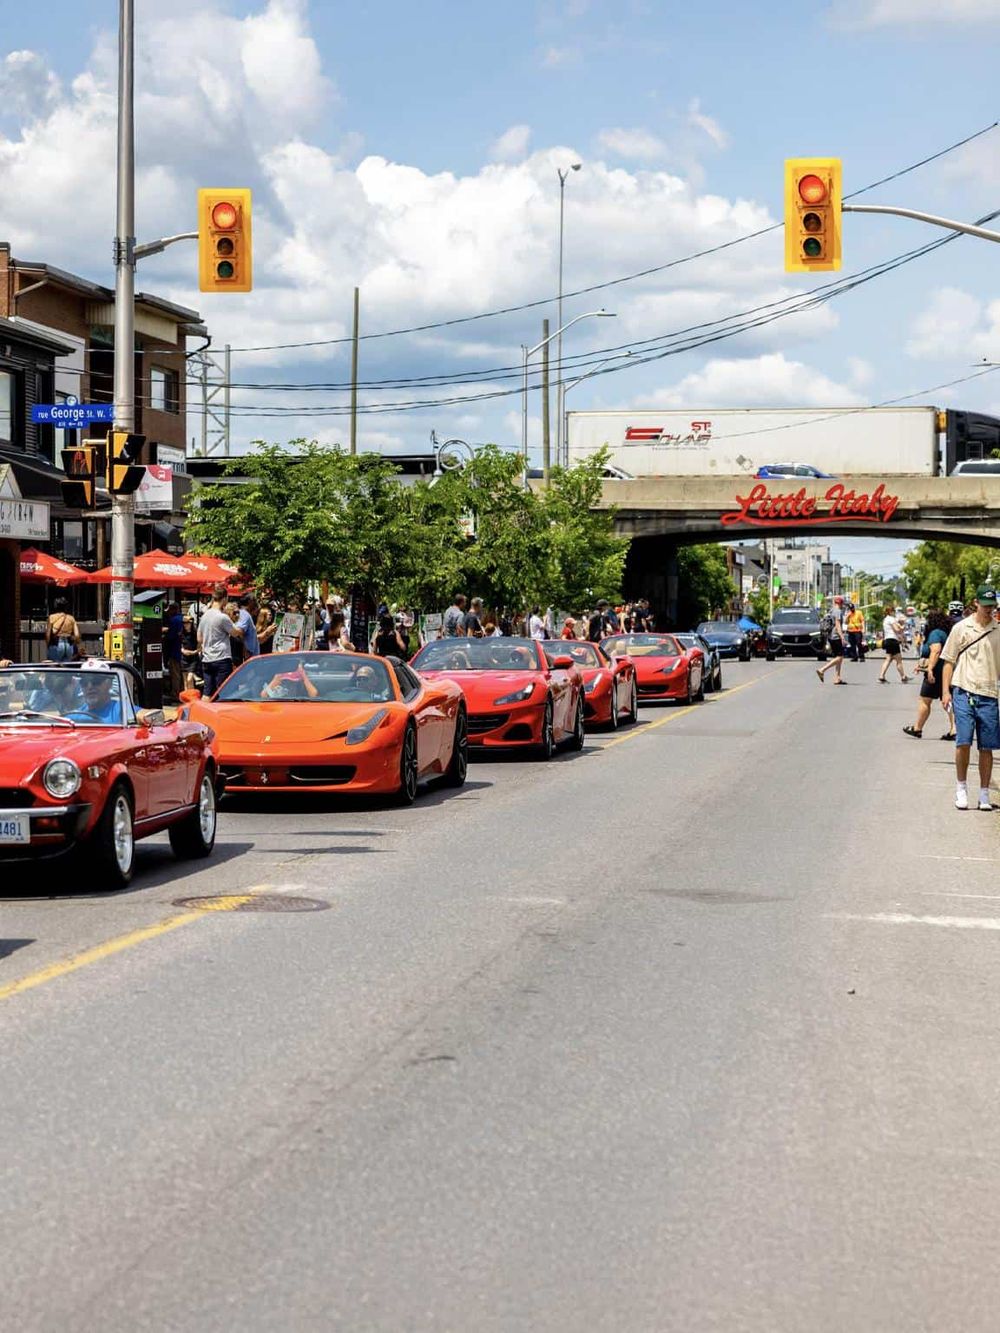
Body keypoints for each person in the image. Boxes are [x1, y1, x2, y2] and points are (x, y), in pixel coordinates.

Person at [940, 585, 1000, 810]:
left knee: (987, 747)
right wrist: (946, 692)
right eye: (985, 605)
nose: (989, 610)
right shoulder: (961, 628)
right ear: (976, 603)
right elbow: (948, 660)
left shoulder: (998, 631)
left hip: (989, 695)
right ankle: (961, 788)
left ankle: (984, 793)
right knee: (963, 741)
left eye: (992, 606)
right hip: (963, 690)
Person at [904, 609, 952, 739]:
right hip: (943, 670)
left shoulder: (935, 633)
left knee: (925, 700)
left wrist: (930, 669)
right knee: (946, 700)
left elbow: (936, 651)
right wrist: (922, 665)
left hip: (936, 672)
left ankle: (918, 728)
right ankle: (954, 729)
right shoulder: (943, 633)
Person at [198, 585, 243, 697]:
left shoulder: (204, 616)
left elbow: (199, 638)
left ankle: (203, 713)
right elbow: (235, 633)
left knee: (207, 693)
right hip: (221, 659)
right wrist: (240, 627)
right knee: (224, 692)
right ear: (224, 599)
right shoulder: (222, 617)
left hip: (207, 659)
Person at [816, 594, 848, 685]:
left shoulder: (831, 611)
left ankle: (837, 678)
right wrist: (842, 637)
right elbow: (838, 625)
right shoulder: (838, 611)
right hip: (836, 637)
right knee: (840, 657)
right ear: (841, 604)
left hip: (830, 636)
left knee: (839, 657)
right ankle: (822, 670)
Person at [878, 605, 910, 684]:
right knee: (899, 660)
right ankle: (903, 677)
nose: (894, 613)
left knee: (888, 658)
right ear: (891, 612)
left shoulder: (885, 619)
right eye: (894, 611)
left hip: (887, 640)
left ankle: (882, 676)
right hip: (893, 640)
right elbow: (897, 630)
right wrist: (902, 627)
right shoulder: (891, 619)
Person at [46, 597, 82, 661]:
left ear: (55, 606)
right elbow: (77, 636)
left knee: (55, 667)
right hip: (68, 645)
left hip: (56, 644)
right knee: (66, 667)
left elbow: (48, 635)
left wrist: (48, 645)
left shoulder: (51, 617)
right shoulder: (71, 618)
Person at [163, 601, 184, 699]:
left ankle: (175, 694)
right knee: (181, 673)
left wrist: (164, 633)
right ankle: (181, 692)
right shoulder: (182, 619)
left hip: (174, 650)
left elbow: (170, 637)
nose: (169, 612)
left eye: (170, 610)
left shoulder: (174, 620)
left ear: (174, 610)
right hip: (183, 650)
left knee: (175, 673)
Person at [181, 614, 200, 691]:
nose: (186, 625)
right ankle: (188, 698)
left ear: (191, 624)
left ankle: (192, 697)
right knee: (185, 681)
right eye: (184, 623)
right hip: (184, 658)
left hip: (193, 658)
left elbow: (200, 647)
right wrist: (182, 650)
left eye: (187, 623)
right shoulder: (181, 634)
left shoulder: (196, 634)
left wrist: (193, 652)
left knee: (190, 678)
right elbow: (179, 645)